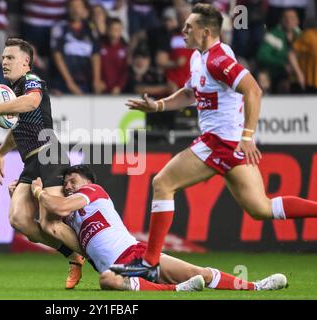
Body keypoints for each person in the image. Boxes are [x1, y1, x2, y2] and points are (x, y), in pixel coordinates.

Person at [110, 3, 317, 282]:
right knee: (260, 209)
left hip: (220, 141)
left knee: (162, 183)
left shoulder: (217, 59)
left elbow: (253, 90)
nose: (183, 29)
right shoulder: (200, 58)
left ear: (205, 32)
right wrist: (158, 106)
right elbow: (189, 94)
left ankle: (150, 262)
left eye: (189, 27)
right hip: (226, 144)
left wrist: (247, 136)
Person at [24, 165, 287, 292]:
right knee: (107, 280)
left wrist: (37, 190)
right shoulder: (72, 218)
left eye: (73, 180)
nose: (69, 185)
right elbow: (48, 223)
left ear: (88, 182)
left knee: (199, 272)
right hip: (118, 269)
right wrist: (31, 192)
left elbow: (56, 206)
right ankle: (177, 290)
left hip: (138, 254)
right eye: (66, 183)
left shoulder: (93, 191)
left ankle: (257, 286)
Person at [0, 38, 85, 289]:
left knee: (51, 224)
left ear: (25, 62)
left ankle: (107, 259)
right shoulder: (15, 92)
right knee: (19, 220)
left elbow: (32, 102)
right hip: (31, 162)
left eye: (10, 57)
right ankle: (73, 255)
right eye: (3, 57)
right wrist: (0, 153)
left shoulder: (32, 82)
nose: (4, 62)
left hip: (49, 155)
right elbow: (19, 129)